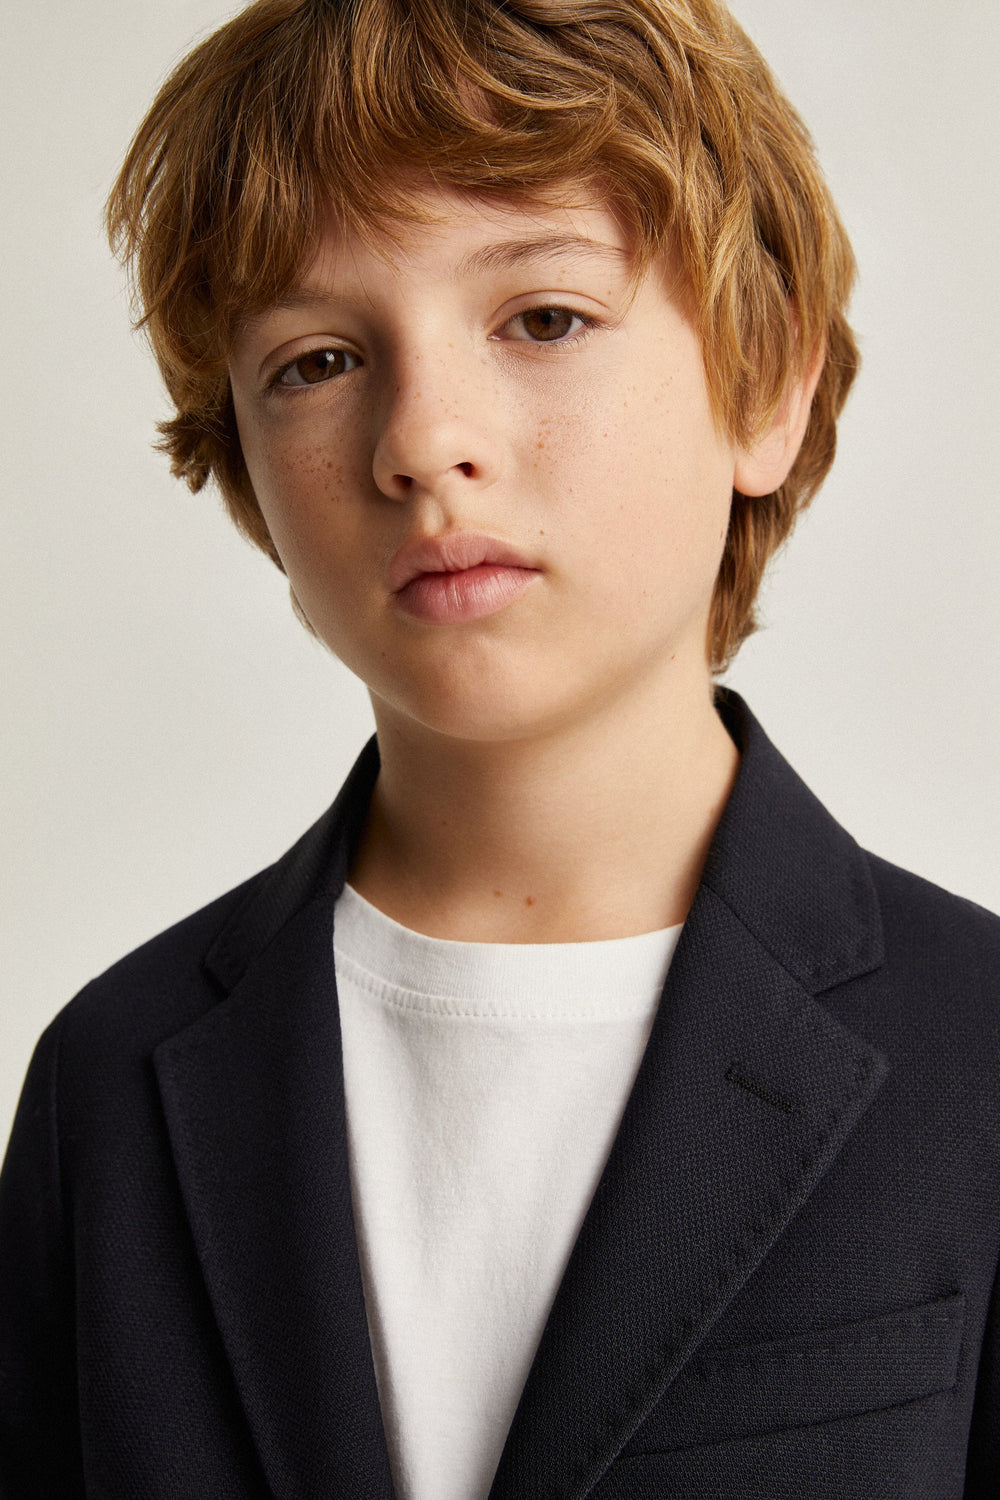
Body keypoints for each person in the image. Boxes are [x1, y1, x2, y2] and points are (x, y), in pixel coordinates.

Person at [1, 0, 997, 1494]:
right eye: (317, 360)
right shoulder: (111, 1081)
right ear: (249, 473)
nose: (422, 439)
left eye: (544, 318)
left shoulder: (979, 1053)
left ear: (768, 384)